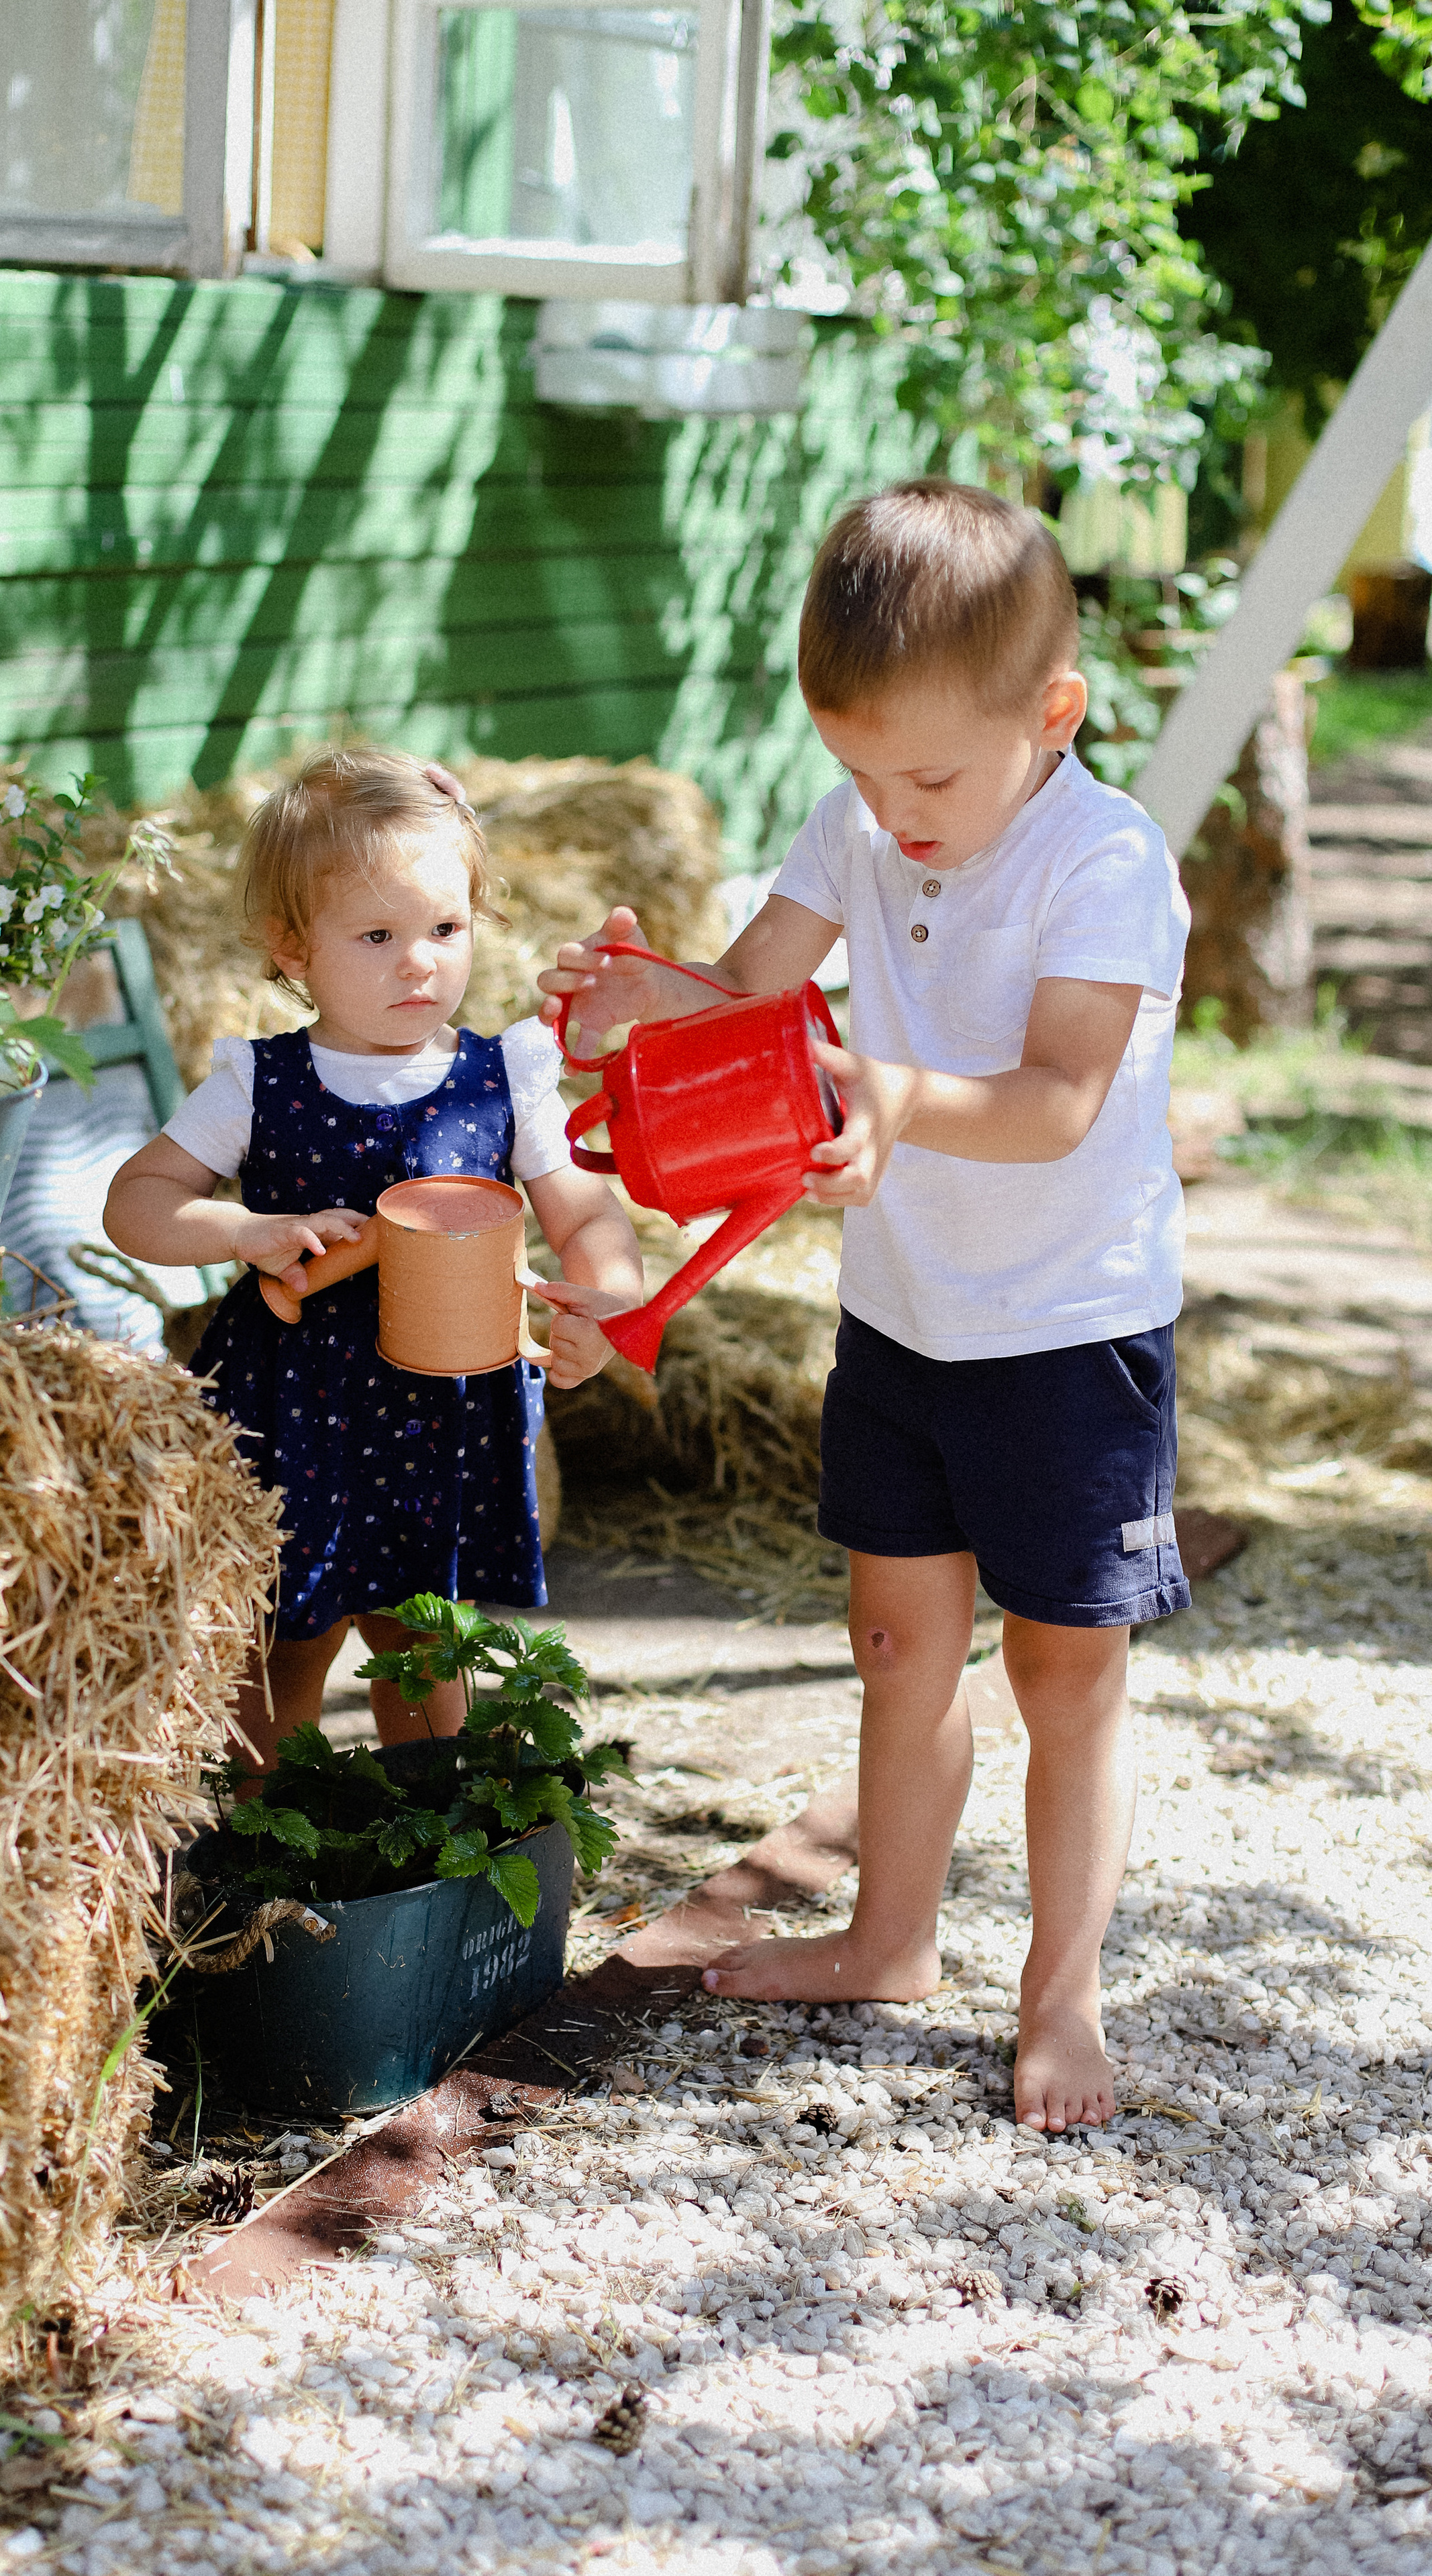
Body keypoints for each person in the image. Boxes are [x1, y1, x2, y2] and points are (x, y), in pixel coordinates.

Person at [540, 480, 1190, 2135]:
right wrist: (637, 1003)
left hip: (1069, 1333)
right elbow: (748, 999)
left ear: (1053, 715)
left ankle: (1059, 1994)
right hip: (905, 1316)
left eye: (926, 776)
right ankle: (887, 1936)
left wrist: (888, 1092)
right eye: (852, 770)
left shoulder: (1103, 859)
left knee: (1063, 1670)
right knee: (899, 1643)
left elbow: (1055, 1098)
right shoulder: (859, 822)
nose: (887, 809)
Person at [107, 746, 642, 1770]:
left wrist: (605, 1305)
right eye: (378, 935)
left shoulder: (503, 1078)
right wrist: (246, 1233)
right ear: (293, 946)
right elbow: (138, 1204)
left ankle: (421, 1849)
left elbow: (586, 1216)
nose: (420, 962)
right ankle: (269, 1862)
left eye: (447, 928)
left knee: (424, 1649)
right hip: (294, 1409)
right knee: (278, 1648)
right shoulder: (258, 1084)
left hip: (439, 1414)